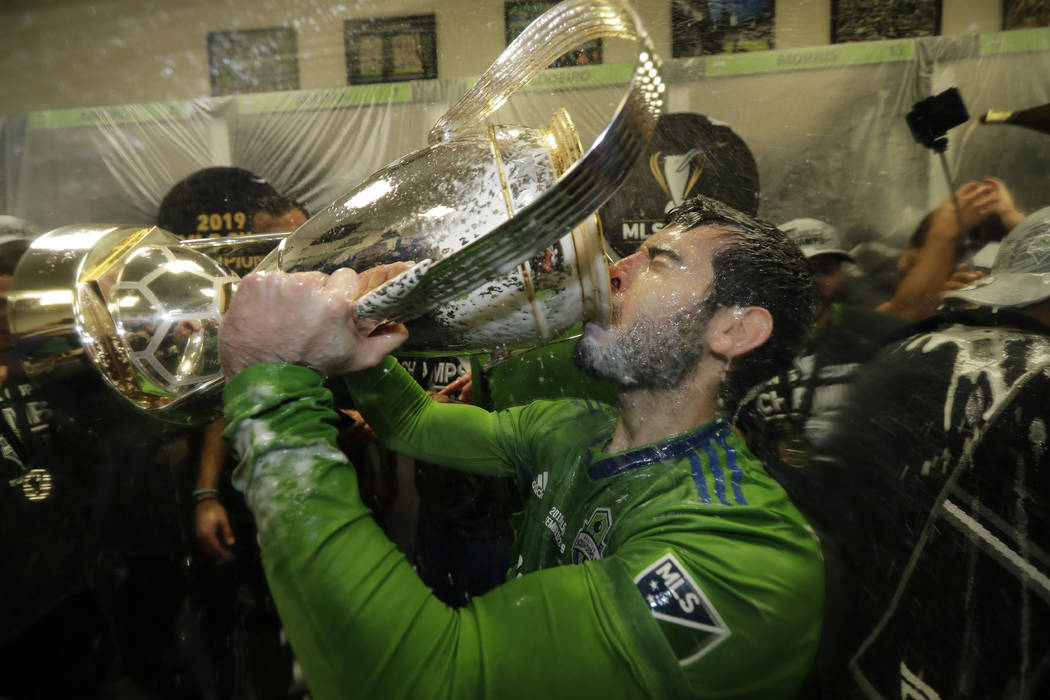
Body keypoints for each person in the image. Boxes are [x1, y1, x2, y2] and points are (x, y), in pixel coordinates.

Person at [217, 195, 824, 698]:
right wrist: (360, 343)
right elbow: (413, 425)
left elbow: (420, 681)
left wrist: (271, 383)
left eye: (658, 262)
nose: (611, 269)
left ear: (735, 330)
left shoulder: (744, 553)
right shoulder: (577, 426)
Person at [787, 205, 1050, 698]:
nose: (816, 282)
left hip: (855, 651)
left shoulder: (899, 348)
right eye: (804, 269)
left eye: (826, 268)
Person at [737, 217, 908, 469]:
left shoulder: (881, 334)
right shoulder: (745, 345)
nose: (811, 281)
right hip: (770, 495)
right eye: (797, 270)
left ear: (841, 272)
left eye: (825, 269)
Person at [877, 176, 1024, 321]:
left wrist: (1011, 218)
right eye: (913, 263)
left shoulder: (1001, 302)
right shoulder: (877, 287)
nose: (910, 275)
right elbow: (901, 316)